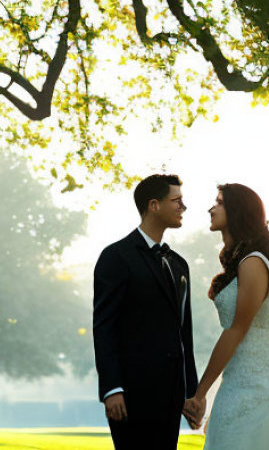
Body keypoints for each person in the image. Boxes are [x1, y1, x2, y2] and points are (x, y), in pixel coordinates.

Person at [184, 183, 269, 449]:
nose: (211, 208)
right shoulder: (240, 262)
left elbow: (236, 330)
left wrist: (200, 393)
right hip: (237, 381)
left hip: (265, 387)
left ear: (237, 211)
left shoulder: (253, 262)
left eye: (218, 202)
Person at [92, 173, 199, 449]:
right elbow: (105, 327)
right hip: (130, 394)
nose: (183, 207)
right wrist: (112, 388)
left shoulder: (179, 264)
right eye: (176, 200)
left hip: (172, 394)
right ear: (153, 205)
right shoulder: (116, 257)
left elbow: (183, 333)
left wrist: (191, 392)